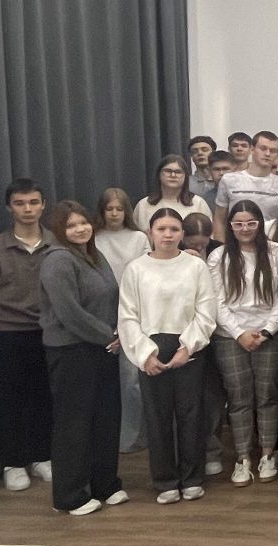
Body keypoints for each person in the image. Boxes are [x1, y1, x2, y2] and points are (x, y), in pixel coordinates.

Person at [117, 208, 217, 504]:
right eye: (161, 229)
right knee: (157, 416)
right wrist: (145, 354)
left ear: (182, 234)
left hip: (188, 345)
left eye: (174, 229)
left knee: (191, 415)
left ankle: (192, 478)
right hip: (151, 345)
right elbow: (128, 316)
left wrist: (188, 347)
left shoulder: (195, 266)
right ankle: (165, 481)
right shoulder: (136, 269)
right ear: (150, 232)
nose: (168, 235)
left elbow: (206, 310)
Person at [38, 201, 127, 515]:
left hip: (103, 348)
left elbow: (111, 297)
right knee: (74, 424)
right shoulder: (57, 259)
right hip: (72, 351)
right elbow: (69, 312)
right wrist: (108, 335)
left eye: (84, 223)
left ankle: (104, 484)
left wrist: (117, 333)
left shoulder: (94, 255)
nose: (80, 229)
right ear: (60, 230)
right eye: (71, 225)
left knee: (105, 419)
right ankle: (70, 496)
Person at [207, 201, 278, 487]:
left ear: (260, 223)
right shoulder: (219, 256)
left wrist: (267, 330)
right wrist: (239, 334)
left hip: (271, 334)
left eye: (251, 223)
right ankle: (243, 457)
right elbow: (216, 301)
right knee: (238, 397)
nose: (245, 229)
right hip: (229, 335)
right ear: (230, 226)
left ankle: (268, 453)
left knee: (267, 393)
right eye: (238, 224)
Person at [0, 178, 56, 491]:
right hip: (7, 334)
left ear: (43, 205)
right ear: (9, 208)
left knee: (43, 397)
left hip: (48, 332)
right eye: (20, 203)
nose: (27, 209)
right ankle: (13, 462)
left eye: (33, 202)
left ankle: (42, 457)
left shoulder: (57, 244)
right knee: (9, 400)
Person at [93, 188, 152, 453]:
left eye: (119, 209)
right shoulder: (93, 237)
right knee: (105, 382)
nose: (114, 214)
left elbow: (147, 273)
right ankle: (108, 436)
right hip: (101, 314)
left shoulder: (139, 238)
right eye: (109, 209)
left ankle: (134, 437)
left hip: (134, 313)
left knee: (132, 381)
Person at [179, 212, 226, 476]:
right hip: (185, 331)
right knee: (187, 398)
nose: (197, 247)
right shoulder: (172, 252)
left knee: (213, 395)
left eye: (202, 242)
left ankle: (212, 450)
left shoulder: (220, 251)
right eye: (192, 243)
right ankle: (186, 453)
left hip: (217, 331)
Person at [215, 131, 278, 239]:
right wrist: (221, 245)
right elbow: (219, 220)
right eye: (263, 148)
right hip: (236, 242)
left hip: (269, 243)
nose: (267, 154)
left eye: (272, 151)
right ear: (252, 149)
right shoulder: (229, 180)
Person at [134, 155, 213, 229]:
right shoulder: (144, 205)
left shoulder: (198, 203)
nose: (173, 175)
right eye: (168, 171)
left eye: (178, 172)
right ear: (159, 174)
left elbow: (209, 234)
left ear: (185, 176)